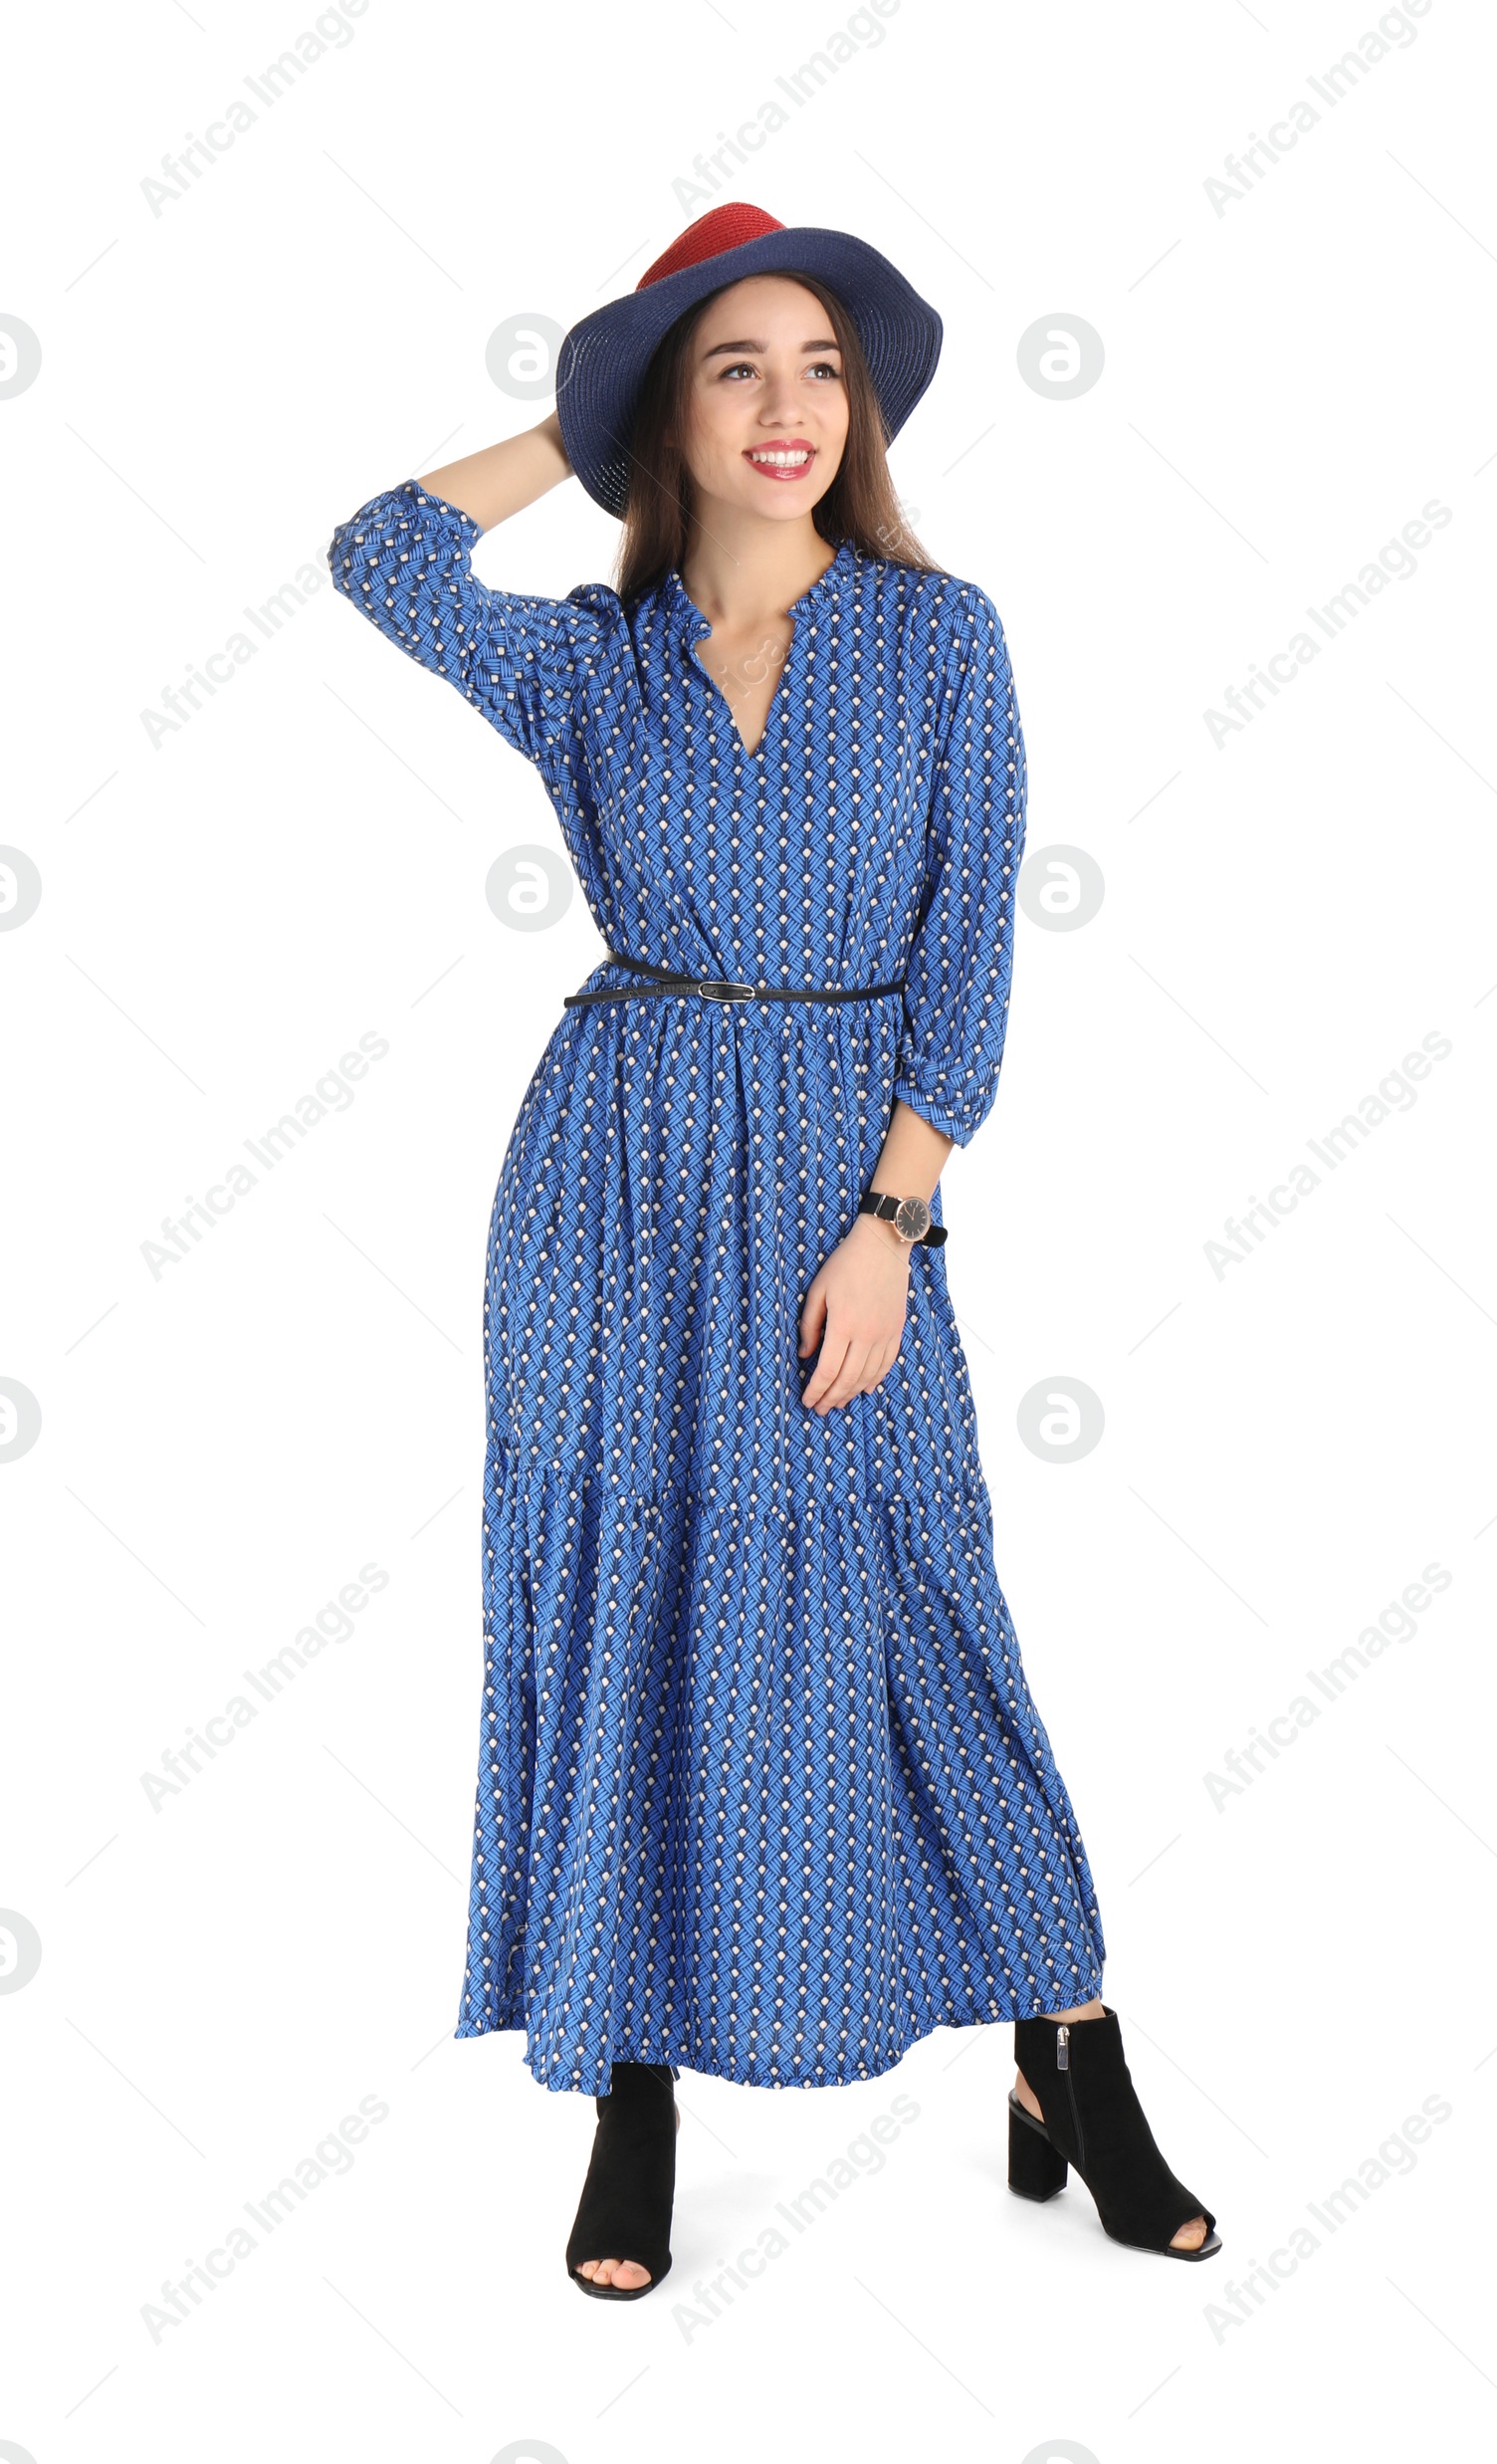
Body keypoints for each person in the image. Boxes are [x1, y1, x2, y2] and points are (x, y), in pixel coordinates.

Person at [328, 201, 1219, 2299]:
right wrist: (584, 409)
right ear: (669, 407)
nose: (790, 405)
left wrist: (894, 1214)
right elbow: (377, 553)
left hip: (840, 1180)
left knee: (918, 1599)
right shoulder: (585, 660)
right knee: (625, 1605)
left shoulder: (936, 640)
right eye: (732, 367)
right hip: (609, 1194)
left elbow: (967, 950)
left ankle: (1065, 2047)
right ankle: (626, 2081)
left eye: (819, 366)